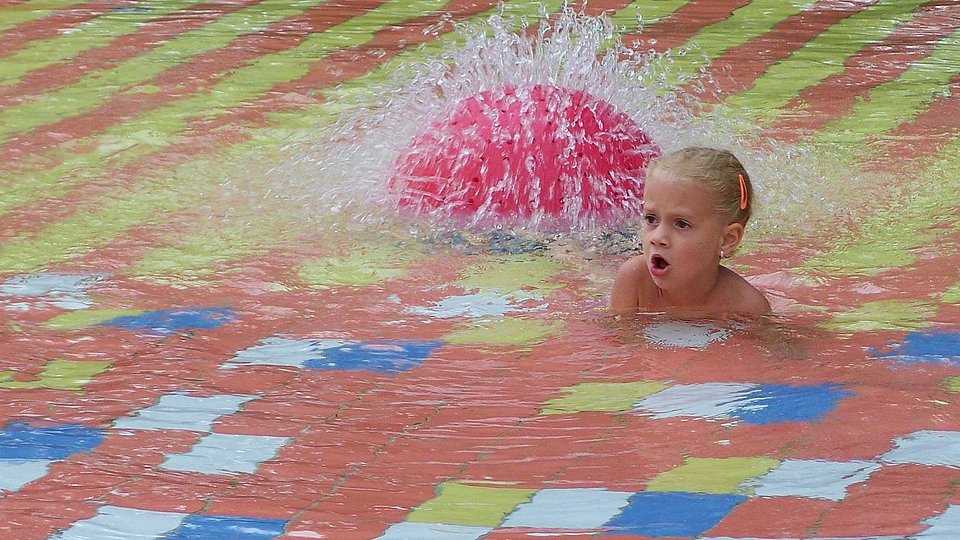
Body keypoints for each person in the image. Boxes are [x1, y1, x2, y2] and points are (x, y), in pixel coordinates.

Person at [610, 147, 771, 316]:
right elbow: (618, 340)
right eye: (651, 219)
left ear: (727, 239)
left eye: (681, 224)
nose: (657, 238)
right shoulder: (634, 280)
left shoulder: (747, 307)